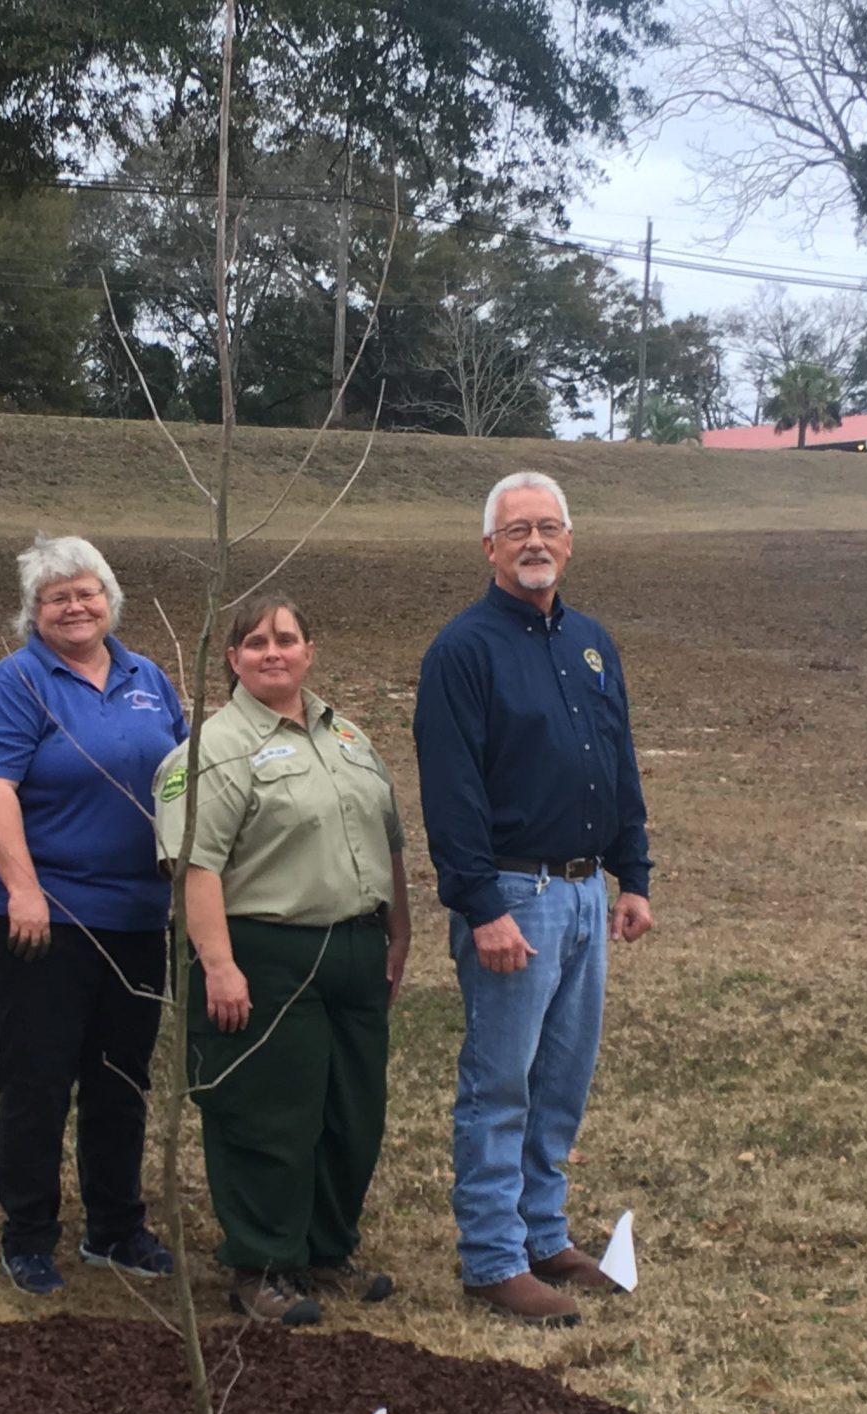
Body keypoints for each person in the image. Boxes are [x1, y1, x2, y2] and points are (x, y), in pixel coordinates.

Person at [412, 471, 653, 1324]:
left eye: (549, 527)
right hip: (515, 892)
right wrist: (483, 906)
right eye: (516, 530)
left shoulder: (591, 642)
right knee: (500, 1082)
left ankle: (545, 1235)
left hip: (588, 893)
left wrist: (634, 876)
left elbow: (616, 760)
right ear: (489, 547)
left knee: (562, 1081)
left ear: (571, 540)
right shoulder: (462, 651)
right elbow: (451, 794)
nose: (534, 542)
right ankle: (491, 1257)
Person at [154, 595, 412, 1327]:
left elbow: (388, 839)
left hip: (357, 949)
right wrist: (219, 965)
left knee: (349, 1112)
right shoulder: (213, 752)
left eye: (288, 639)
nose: (275, 652)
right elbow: (195, 868)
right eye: (257, 642)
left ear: (310, 650)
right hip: (265, 952)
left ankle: (326, 1251)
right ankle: (261, 1264)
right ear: (232, 659)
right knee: (271, 1116)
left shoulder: (349, 736)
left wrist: (400, 934)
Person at [0, 534, 186, 1297]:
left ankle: (115, 1227)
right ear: (34, 612)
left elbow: (185, 777)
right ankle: (28, 1234)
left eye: (86, 593)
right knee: (39, 1078)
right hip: (42, 917)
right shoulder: (16, 682)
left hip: (136, 913)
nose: (74, 607)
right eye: (56, 597)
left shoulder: (147, 676)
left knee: (121, 1078)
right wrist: (23, 889)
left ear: (110, 600)